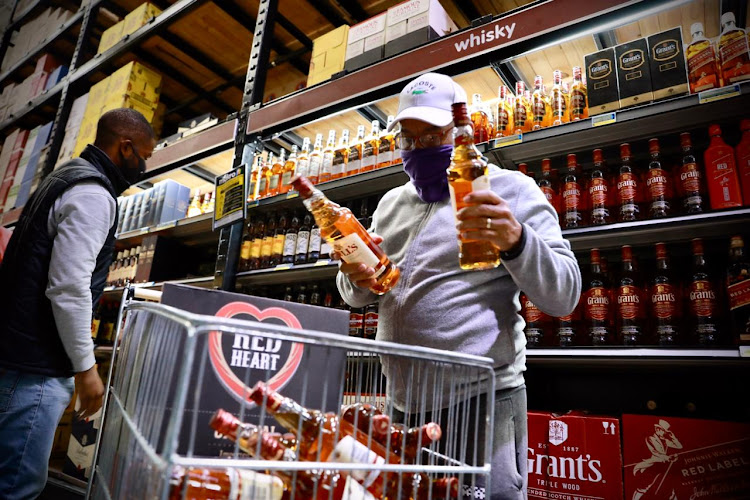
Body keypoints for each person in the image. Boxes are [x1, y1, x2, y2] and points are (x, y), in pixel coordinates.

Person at [334, 73, 581, 500]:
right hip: (401, 405)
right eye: (408, 139)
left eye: (432, 135)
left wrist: (517, 240)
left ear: (461, 129)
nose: (417, 149)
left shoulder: (510, 189)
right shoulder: (392, 203)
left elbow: (565, 295)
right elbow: (356, 293)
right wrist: (354, 279)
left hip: (481, 405)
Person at [0, 108, 155, 499]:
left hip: (15, 354)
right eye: (144, 156)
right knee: (17, 486)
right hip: (35, 367)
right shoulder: (93, 194)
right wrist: (85, 369)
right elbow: (68, 287)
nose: (144, 166)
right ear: (125, 147)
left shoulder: (64, 177)